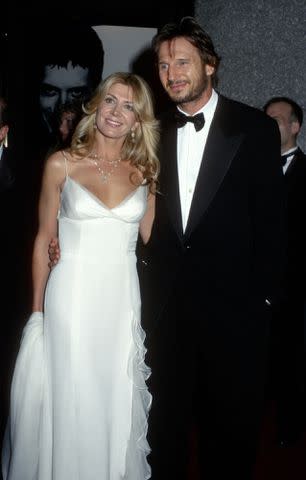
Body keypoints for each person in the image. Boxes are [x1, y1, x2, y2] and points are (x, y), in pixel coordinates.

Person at [48, 17, 286, 479]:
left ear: (210, 66)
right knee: (163, 433)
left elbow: (275, 226)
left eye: (182, 62)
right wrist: (68, 236)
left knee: (229, 436)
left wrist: (263, 304)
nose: (172, 73)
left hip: (233, 316)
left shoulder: (254, 128)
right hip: (164, 313)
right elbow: (118, 198)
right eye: (162, 65)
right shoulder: (152, 132)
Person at [2, 72, 159, 480]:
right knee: (72, 393)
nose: (116, 113)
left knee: (114, 393)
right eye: (111, 101)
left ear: (139, 119)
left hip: (122, 300)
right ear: (96, 105)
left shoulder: (146, 173)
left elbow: (160, 242)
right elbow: (42, 240)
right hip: (70, 296)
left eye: (129, 106)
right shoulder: (61, 163)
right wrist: (37, 313)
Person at [264, 96, 306, 446]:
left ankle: (290, 434)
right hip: (253, 288)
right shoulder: (251, 169)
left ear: (295, 127)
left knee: (291, 362)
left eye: (276, 120)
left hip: (294, 291)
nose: (269, 125)